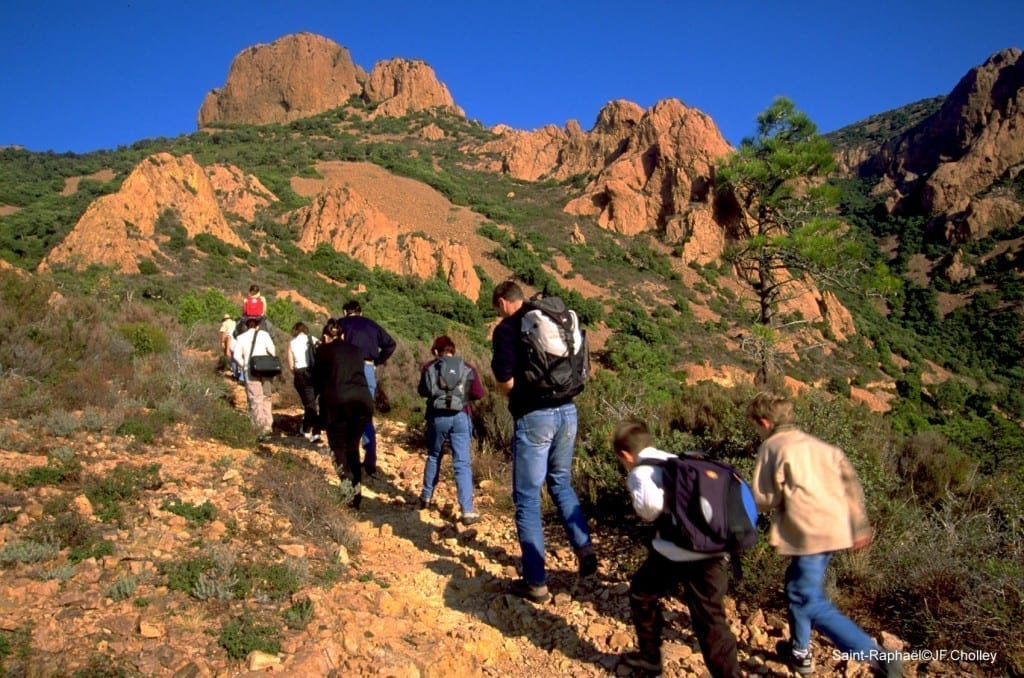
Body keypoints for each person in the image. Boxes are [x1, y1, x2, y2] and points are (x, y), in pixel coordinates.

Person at [748, 392, 902, 678]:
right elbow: (851, 486)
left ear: (765, 422)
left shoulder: (772, 446)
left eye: (756, 426)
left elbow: (764, 497)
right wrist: (859, 527)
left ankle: (878, 658)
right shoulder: (821, 446)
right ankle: (799, 651)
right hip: (834, 529)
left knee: (808, 599)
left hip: (807, 531)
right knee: (797, 586)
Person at [490, 280, 596, 602]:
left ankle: (535, 581)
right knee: (561, 482)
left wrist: (513, 396)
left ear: (502, 302)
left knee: (527, 499)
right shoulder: (551, 315)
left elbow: (504, 379)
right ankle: (584, 549)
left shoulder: (508, 328)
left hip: (536, 417)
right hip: (568, 412)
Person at [612, 419, 741, 677]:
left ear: (626, 455)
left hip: (676, 552)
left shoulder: (640, 472)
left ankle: (650, 658)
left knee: (642, 593)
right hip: (714, 553)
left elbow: (649, 511)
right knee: (712, 621)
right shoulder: (675, 458)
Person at [417, 335, 485, 525]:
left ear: (436, 351)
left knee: (434, 455)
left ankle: (426, 497)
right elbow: (478, 393)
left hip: (437, 417)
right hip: (462, 417)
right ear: (453, 351)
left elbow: (422, 391)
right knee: (462, 463)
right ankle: (467, 511)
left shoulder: (429, 367)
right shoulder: (468, 367)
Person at [313, 320, 374, 510]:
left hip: (338, 403)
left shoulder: (323, 351)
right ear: (343, 336)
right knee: (353, 447)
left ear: (325, 337)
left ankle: (348, 489)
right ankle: (356, 493)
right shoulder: (356, 351)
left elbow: (317, 380)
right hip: (362, 402)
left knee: (338, 448)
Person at [336, 300, 396, 477]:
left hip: (347, 369)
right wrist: (377, 361)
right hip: (367, 369)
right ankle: (370, 462)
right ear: (360, 312)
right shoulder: (371, 324)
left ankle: (347, 457)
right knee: (365, 415)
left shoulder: (341, 323)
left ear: (345, 311)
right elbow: (390, 344)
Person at [232, 317, 276, 436]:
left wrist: (245, 365)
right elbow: (272, 351)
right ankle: (268, 425)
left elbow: (236, 356)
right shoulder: (264, 335)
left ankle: (259, 426)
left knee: (255, 398)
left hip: (251, 371)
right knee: (266, 396)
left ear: (246, 326)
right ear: (258, 325)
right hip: (266, 370)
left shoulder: (241, 338)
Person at [287, 322, 321, 443]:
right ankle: (308, 429)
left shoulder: (292, 343)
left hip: (300, 374)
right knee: (311, 403)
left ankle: (312, 431)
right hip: (314, 373)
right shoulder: (313, 339)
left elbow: (291, 365)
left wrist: (297, 374)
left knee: (309, 404)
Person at [219, 313, 239, 379]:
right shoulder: (234, 322)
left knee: (228, 355)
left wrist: (222, 342)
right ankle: (235, 370)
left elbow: (223, 333)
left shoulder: (224, 323)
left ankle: (230, 369)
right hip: (237, 340)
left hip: (229, 340)